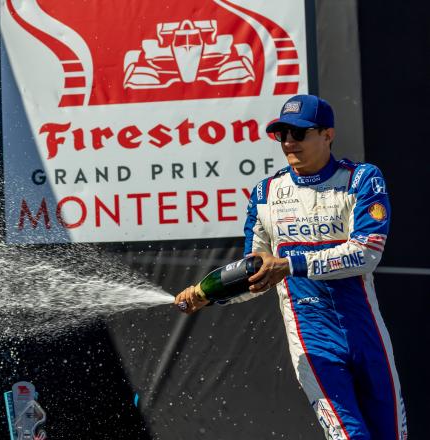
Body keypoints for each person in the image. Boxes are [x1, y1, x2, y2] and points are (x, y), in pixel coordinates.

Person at [174, 95, 407, 440]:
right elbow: (255, 274)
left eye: (298, 133)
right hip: (313, 342)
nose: (288, 143)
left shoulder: (361, 180)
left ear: (327, 134)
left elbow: (366, 253)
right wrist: (210, 296)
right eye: (281, 135)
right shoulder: (266, 194)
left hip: (367, 335)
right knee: (351, 437)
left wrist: (290, 264)